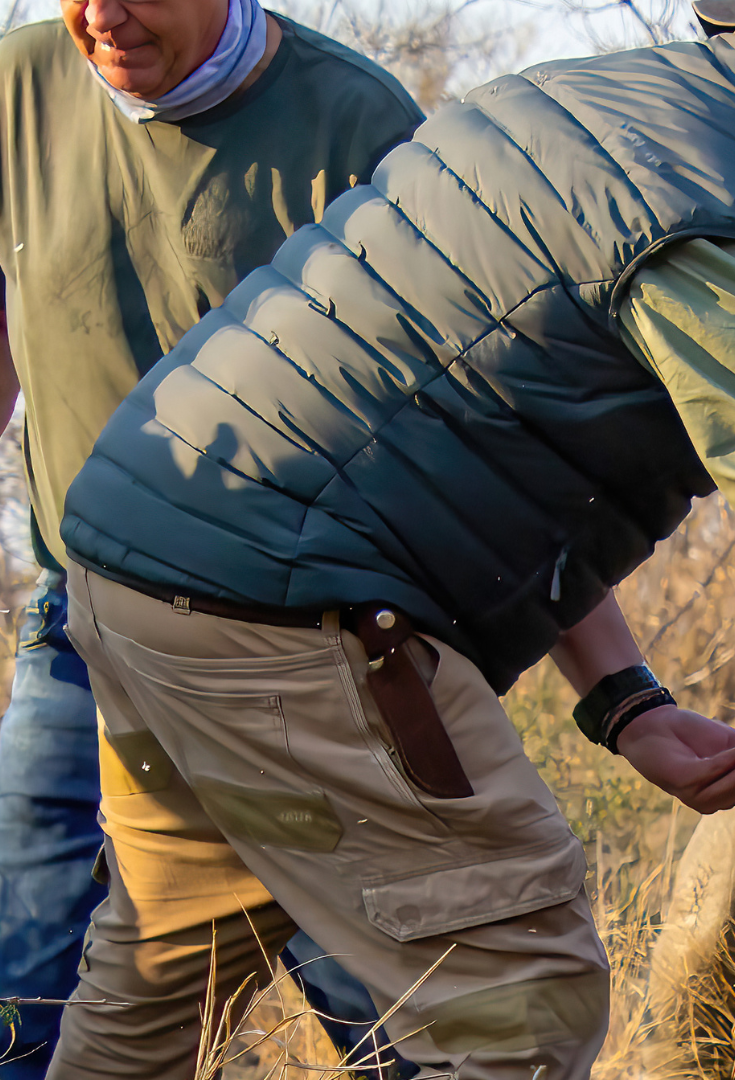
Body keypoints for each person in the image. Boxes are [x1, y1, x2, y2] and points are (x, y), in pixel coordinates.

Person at [43, 1, 735, 1076]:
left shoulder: (596, 110)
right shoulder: (723, 217)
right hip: (285, 600)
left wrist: (627, 702)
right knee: (521, 994)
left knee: (160, 990)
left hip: (141, 572)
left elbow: (500, 455)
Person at [0, 0, 423, 1074]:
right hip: (78, 625)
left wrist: (617, 688)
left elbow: (449, 420)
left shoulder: (356, 123)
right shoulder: (19, 86)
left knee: (400, 1024)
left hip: (289, 652)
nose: (103, 17)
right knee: (21, 993)